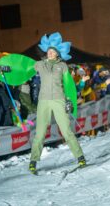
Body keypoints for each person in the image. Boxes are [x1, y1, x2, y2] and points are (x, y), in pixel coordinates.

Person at [29, 32, 85, 175]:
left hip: (59, 100)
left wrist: (70, 101)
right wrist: (7, 70)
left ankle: (80, 157)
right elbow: (24, 70)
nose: (50, 53)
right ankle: (33, 161)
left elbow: (69, 86)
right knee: (40, 133)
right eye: (49, 51)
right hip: (44, 101)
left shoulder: (63, 66)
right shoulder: (39, 65)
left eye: (53, 51)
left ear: (58, 53)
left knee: (66, 131)